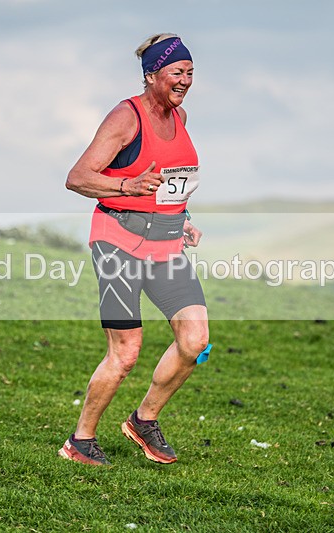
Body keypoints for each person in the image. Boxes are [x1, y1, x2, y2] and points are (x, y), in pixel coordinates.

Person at [60, 33, 211, 465]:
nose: (185, 80)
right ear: (152, 75)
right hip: (118, 242)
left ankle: (144, 420)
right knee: (125, 352)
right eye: (177, 72)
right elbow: (78, 177)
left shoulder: (180, 116)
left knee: (195, 339)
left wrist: (181, 219)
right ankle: (80, 441)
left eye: (190, 72)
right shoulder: (125, 117)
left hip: (164, 243)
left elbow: (170, 179)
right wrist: (126, 184)